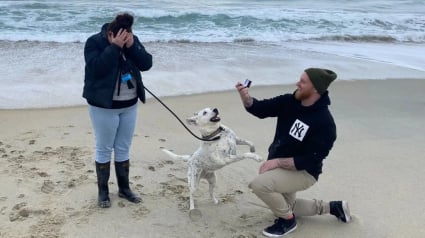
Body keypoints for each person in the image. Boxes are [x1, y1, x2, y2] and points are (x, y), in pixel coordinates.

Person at [235, 68, 350, 237]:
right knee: (284, 206)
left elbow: (312, 160)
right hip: (282, 168)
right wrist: (245, 97)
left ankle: (288, 222)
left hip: (304, 172)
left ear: (316, 89)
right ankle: (333, 207)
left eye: (303, 82)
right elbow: (260, 109)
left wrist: (277, 162)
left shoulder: (324, 123)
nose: (297, 83)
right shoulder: (289, 101)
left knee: (260, 185)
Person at [83, 12, 152, 208]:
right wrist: (114, 47)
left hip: (129, 105)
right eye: (121, 36)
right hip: (104, 106)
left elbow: (146, 63)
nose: (125, 38)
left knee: (123, 147)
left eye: (128, 35)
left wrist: (131, 47)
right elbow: (96, 69)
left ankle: (124, 188)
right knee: (104, 148)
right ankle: (103, 192)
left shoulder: (132, 39)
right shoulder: (94, 42)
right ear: (110, 33)